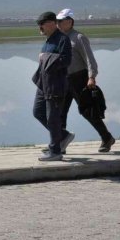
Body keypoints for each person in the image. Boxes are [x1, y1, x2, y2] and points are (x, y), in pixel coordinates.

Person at [56, 8, 116, 153]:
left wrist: (91, 77)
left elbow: (90, 59)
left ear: (69, 21)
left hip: (79, 78)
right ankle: (60, 142)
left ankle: (107, 137)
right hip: (64, 80)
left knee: (87, 111)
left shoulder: (79, 37)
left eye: (60, 21)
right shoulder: (58, 38)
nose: (58, 23)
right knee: (59, 112)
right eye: (57, 21)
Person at [31, 11, 74, 161]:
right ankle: (62, 136)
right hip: (44, 85)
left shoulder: (63, 39)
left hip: (56, 85)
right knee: (38, 112)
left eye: (41, 25)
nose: (40, 28)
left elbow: (66, 60)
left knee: (52, 118)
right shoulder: (49, 40)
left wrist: (46, 57)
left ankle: (55, 151)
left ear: (50, 23)